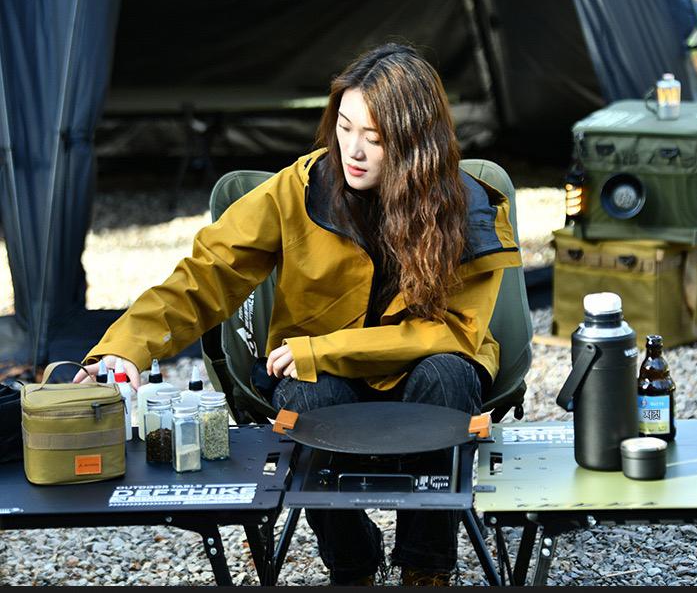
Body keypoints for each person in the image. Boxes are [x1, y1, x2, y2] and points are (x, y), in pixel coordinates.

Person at [75, 42, 521, 586]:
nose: (353, 150)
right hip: (322, 374)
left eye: (375, 137)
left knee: (447, 375)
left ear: (415, 144)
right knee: (310, 396)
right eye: (345, 127)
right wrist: (123, 348)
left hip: (422, 366)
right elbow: (207, 274)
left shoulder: (471, 207)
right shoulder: (299, 188)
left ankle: (425, 568)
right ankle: (352, 566)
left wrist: (320, 348)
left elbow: (452, 333)